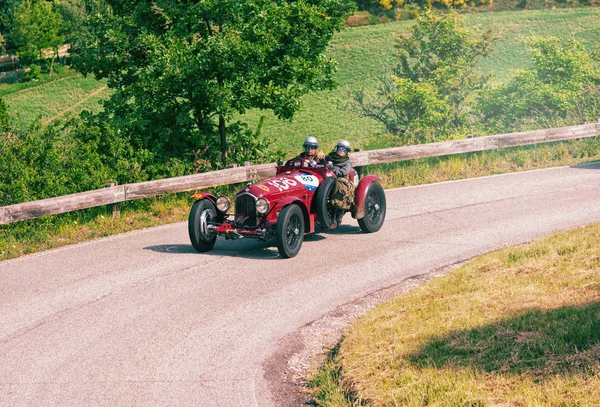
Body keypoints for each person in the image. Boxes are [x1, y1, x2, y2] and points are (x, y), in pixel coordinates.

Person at [326, 140, 354, 226]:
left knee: (341, 190)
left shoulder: (347, 162)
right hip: (327, 180)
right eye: (340, 148)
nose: (341, 151)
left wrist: (333, 170)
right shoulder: (330, 157)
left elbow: (344, 172)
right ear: (336, 149)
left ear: (347, 152)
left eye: (344, 150)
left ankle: (339, 216)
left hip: (340, 181)